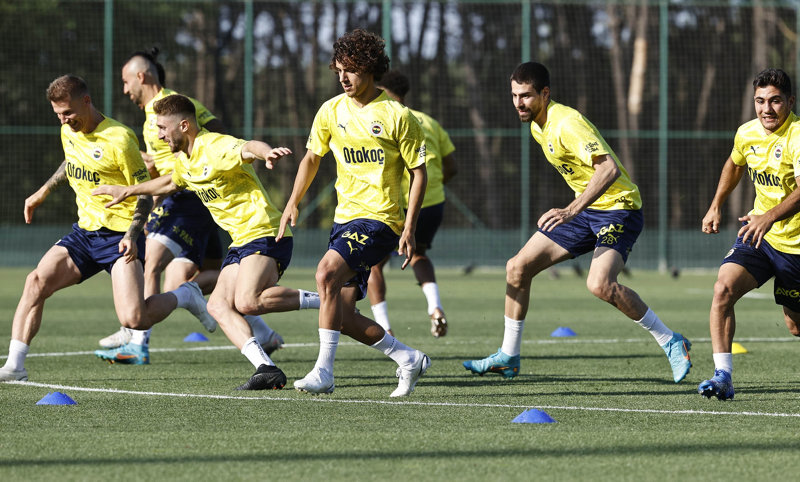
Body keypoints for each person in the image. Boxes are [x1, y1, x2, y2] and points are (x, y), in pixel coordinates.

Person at [463, 62, 692, 383]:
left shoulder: (567, 122)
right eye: (514, 95)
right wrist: (577, 209)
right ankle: (509, 356)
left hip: (618, 208)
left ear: (545, 94)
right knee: (517, 268)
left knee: (600, 285)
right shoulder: (536, 126)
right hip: (586, 211)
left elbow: (609, 170)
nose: (518, 103)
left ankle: (671, 341)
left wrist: (571, 209)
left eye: (526, 96)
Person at [0, 75, 214, 381]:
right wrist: (42, 191)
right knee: (35, 282)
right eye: (58, 115)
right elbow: (70, 160)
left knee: (134, 319)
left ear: (86, 101)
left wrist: (132, 235)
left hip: (118, 237)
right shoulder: (67, 130)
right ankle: (15, 366)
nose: (64, 120)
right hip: (84, 233)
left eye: (68, 113)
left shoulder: (120, 139)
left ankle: (185, 295)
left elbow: (142, 193)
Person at [93, 93, 313, 390]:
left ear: (184, 126)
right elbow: (170, 182)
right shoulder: (184, 159)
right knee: (218, 306)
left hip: (265, 231)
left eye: (162, 128)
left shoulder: (214, 145)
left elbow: (247, 147)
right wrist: (129, 190)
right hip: (241, 241)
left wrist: (267, 152)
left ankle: (327, 300)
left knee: (246, 301)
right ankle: (266, 368)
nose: (158, 135)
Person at [279, 29, 431, 397]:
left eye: (352, 70)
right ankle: (409, 358)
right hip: (344, 219)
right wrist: (292, 201)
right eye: (339, 71)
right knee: (343, 317)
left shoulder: (398, 116)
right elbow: (312, 158)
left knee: (326, 273)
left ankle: (324, 373)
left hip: (381, 220)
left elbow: (419, 172)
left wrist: (409, 227)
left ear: (372, 70)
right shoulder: (330, 111)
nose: (344, 78)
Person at [699, 68, 800, 401]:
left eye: (774, 101)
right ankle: (723, 376)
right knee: (723, 289)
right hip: (760, 237)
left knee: (795, 326)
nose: (766, 109)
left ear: (790, 102)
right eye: (759, 101)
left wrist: (769, 217)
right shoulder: (748, 132)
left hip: (795, 247)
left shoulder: (797, 136)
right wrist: (716, 205)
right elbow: (735, 163)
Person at [366, 70, 457, 338]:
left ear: (382, 89)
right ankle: (435, 307)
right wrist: (434, 188)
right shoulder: (429, 122)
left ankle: (384, 326)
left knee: (374, 264)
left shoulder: (384, 118)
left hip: (399, 202)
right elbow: (452, 166)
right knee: (419, 254)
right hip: (432, 202)